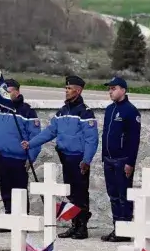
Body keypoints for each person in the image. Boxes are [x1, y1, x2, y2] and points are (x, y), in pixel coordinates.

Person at [24, 75, 98, 239]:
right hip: (65, 157)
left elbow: (92, 139)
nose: (66, 91)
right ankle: (74, 224)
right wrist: (31, 143)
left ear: (78, 91)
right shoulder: (62, 111)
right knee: (70, 193)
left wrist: (86, 160)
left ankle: (82, 227)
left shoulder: (85, 112)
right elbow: (50, 132)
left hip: (78, 159)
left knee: (80, 193)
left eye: (69, 88)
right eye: (65, 88)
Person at [0, 78, 40, 229]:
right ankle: (8, 219)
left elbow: (36, 137)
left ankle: (22, 220)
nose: (5, 93)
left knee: (19, 189)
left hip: (20, 158)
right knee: (5, 189)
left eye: (9, 91)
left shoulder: (27, 111)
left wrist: (31, 158)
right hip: (2, 156)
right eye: (4, 91)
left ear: (17, 92)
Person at [100, 76, 140, 242]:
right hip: (109, 159)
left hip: (122, 160)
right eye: (109, 89)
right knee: (113, 195)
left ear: (123, 90)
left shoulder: (130, 111)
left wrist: (130, 162)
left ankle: (125, 229)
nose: (110, 91)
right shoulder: (109, 109)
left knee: (124, 196)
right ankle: (117, 227)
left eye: (114, 88)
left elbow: (134, 139)